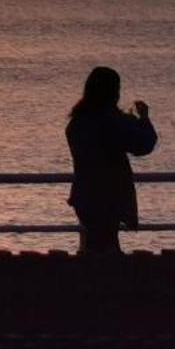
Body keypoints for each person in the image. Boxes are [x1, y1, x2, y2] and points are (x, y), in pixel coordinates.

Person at [64, 65, 158, 256]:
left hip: (84, 194)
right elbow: (143, 144)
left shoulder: (78, 120)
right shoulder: (110, 120)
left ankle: (90, 282)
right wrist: (144, 120)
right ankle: (107, 284)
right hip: (108, 195)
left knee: (94, 244)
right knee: (108, 248)